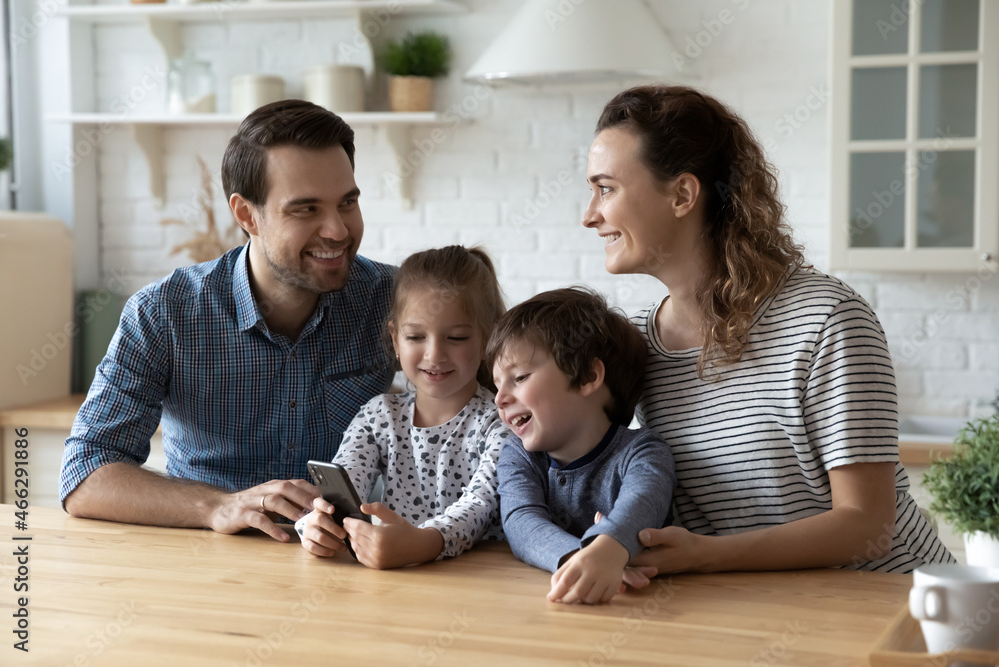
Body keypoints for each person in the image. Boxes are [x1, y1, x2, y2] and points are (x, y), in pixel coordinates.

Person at [582, 85, 955, 574]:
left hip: (895, 613)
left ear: (682, 194)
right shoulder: (635, 344)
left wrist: (705, 555)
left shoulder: (826, 319)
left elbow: (869, 526)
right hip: (760, 616)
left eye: (606, 189)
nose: (589, 215)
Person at [59, 100, 395, 543]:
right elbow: (86, 473)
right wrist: (219, 505)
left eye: (347, 202)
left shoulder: (392, 300)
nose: (337, 230)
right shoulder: (163, 314)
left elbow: (496, 402)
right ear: (246, 215)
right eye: (306, 209)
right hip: (209, 565)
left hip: (348, 561)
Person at [296, 246, 511, 569]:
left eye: (456, 338)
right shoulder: (377, 416)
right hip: (398, 582)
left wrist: (424, 543)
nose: (434, 354)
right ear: (395, 339)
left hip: (479, 580)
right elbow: (342, 484)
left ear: (487, 339)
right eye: (416, 337)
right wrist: (314, 524)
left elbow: (480, 505)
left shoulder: (501, 424)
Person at [489, 287, 676, 605]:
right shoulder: (518, 454)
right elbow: (521, 523)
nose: (499, 399)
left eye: (519, 377)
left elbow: (642, 504)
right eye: (497, 385)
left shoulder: (644, 452)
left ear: (589, 375)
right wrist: (584, 559)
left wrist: (610, 547)